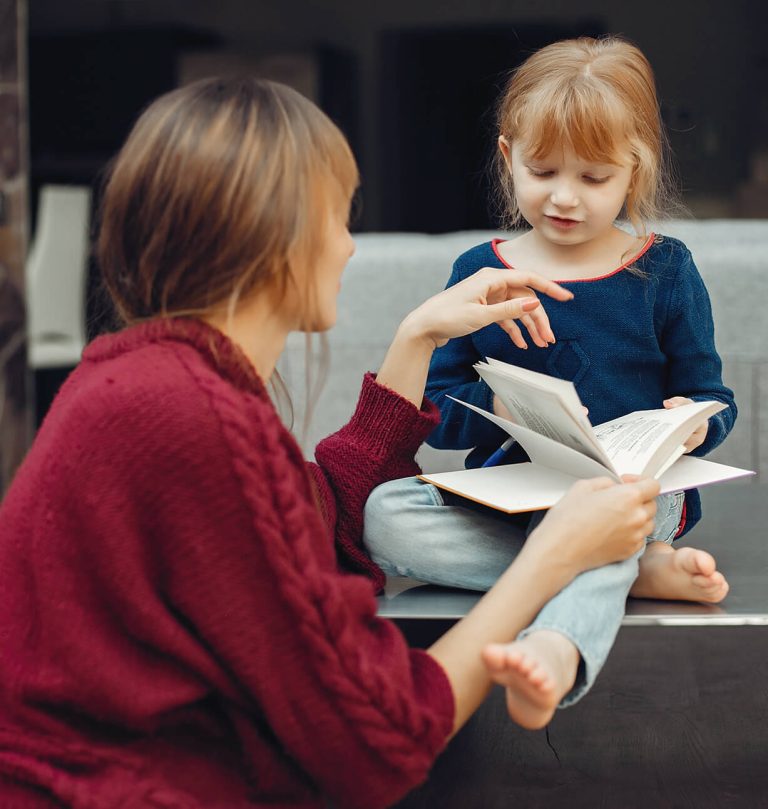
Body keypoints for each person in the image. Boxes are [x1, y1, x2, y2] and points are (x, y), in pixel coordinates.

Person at [0, 77, 662, 808]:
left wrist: (419, 335)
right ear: (275, 233)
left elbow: (318, 524)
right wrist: (551, 557)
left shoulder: (143, 383)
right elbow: (378, 736)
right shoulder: (193, 420)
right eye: (340, 217)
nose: (349, 246)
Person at [363, 36, 736, 731]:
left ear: (635, 170)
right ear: (508, 159)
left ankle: (560, 646)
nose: (564, 197)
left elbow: (715, 396)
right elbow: (435, 412)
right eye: (542, 171)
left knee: (615, 519)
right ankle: (627, 571)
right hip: (510, 495)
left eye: (594, 178)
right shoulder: (481, 267)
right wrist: (495, 407)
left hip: (629, 494)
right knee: (384, 515)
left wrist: (695, 419)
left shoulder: (664, 271)